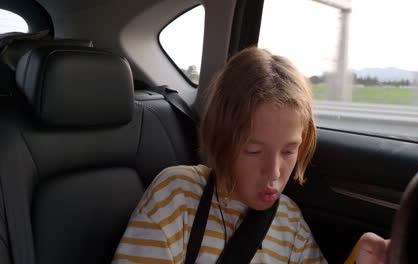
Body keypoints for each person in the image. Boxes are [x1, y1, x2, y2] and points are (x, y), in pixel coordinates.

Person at [112, 47, 388, 264]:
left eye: (289, 151)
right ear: (222, 139)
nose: (275, 172)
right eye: (254, 151)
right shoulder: (178, 197)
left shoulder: (290, 223)